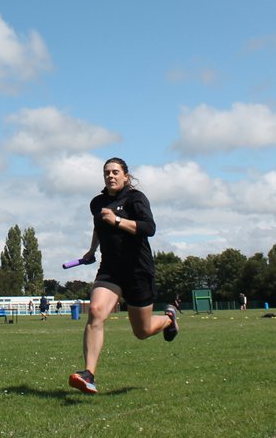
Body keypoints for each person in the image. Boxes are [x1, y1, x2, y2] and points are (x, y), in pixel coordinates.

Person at [69, 158, 178, 395]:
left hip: (138, 270)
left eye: (115, 172)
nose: (110, 176)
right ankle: (89, 375)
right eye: (106, 172)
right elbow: (99, 226)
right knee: (96, 312)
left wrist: (117, 221)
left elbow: (149, 228)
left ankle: (169, 319)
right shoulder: (97, 202)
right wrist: (91, 250)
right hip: (111, 269)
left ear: (126, 176)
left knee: (142, 331)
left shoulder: (136, 198)